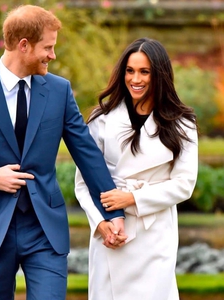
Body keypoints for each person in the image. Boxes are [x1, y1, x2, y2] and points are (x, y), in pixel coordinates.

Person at [0, 5, 126, 300]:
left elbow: (87, 154)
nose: (53, 55)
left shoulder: (59, 91)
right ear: (24, 45)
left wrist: (114, 212)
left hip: (44, 228)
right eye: (48, 47)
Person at [75, 37, 199, 300]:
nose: (136, 79)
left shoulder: (182, 123)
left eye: (145, 72)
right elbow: (83, 182)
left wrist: (132, 198)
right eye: (130, 71)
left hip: (153, 234)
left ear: (160, 75)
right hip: (110, 231)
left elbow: (184, 184)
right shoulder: (101, 119)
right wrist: (101, 224)